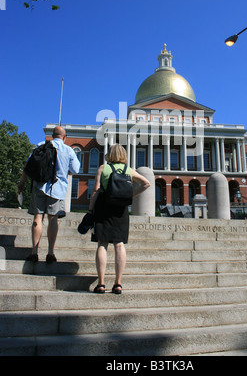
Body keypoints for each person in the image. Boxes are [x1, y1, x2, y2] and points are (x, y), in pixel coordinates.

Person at [89, 144, 150, 295]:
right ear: (124, 155)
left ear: (109, 154)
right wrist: (131, 195)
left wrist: (91, 210)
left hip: (103, 206)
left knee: (102, 244)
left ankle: (101, 283)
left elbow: (96, 190)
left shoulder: (103, 168)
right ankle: (118, 283)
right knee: (119, 244)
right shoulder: (128, 170)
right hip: (121, 209)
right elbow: (146, 183)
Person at [18, 126, 80, 264]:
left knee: (37, 217)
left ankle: (34, 252)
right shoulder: (68, 150)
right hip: (57, 188)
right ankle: (50, 252)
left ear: (52, 136)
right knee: (53, 220)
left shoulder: (41, 145)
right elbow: (75, 169)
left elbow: (28, 165)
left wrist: (22, 182)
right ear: (64, 137)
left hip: (39, 185)